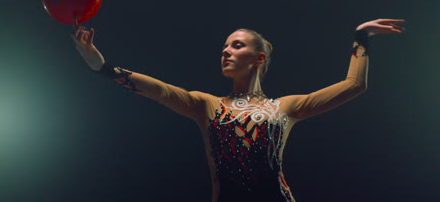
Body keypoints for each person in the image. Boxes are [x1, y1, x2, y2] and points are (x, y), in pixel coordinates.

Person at [70, 19, 405, 202]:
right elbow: (157, 90)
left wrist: (362, 38)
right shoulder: (205, 104)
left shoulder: (284, 107)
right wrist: (102, 67)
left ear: (259, 58)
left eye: (237, 45)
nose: (225, 51)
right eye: (224, 46)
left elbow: (354, 86)